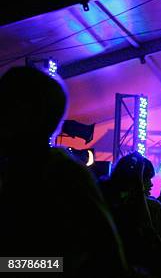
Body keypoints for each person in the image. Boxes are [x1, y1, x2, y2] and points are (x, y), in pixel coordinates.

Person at [0, 67, 128, 277]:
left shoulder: (61, 173)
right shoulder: (22, 167)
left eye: (5, 105)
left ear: (26, 114)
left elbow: (103, 258)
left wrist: (9, 265)